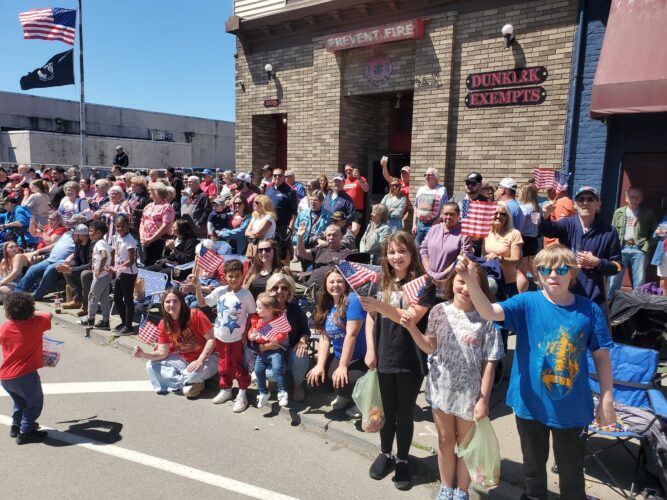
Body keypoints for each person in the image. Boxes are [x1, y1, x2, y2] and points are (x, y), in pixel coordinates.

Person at [455, 245, 616, 500]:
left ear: (572, 273)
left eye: (561, 269)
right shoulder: (526, 302)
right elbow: (489, 311)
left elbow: (602, 357)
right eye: (545, 269)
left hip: (572, 409)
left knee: (572, 473)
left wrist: (607, 398)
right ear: (537, 274)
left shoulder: (589, 310)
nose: (553, 275)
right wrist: (469, 280)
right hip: (529, 404)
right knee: (532, 469)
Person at [400, 262, 502, 500]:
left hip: (470, 393)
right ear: (451, 283)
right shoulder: (439, 311)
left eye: (472, 283)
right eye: (461, 281)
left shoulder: (487, 318)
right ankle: (446, 487)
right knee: (445, 441)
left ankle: (461, 490)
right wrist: (412, 328)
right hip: (441, 389)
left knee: (466, 445)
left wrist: (484, 400)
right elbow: (430, 346)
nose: (465, 288)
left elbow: (490, 362)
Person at [360, 231, 432, 490]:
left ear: (412, 253)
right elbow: (370, 318)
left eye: (402, 251)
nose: (396, 256)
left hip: (410, 357)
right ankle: (385, 453)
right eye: (391, 252)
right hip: (384, 354)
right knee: (386, 412)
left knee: (404, 412)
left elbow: (410, 318)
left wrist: (379, 306)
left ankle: (402, 459)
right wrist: (371, 349)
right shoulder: (380, 281)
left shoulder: (424, 284)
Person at [540, 186, 622, 307]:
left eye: (590, 199)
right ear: (575, 205)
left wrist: (597, 262)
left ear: (598, 203)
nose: (585, 203)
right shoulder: (567, 224)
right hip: (566, 292)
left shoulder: (609, 231)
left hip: (594, 296)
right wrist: (545, 216)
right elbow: (547, 230)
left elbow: (617, 266)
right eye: (581, 199)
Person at [133, 289, 218, 397]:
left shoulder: (195, 315)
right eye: (167, 302)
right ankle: (188, 385)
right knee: (151, 365)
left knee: (190, 375)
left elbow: (211, 339)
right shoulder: (164, 324)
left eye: (175, 301)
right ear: (163, 304)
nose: (171, 305)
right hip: (185, 358)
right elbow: (162, 353)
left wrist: (200, 360)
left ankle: (186, 382)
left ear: (181, 302)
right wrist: (143, 354)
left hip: (210, 357)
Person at [196, 258, 255, 412]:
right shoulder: (220, 291)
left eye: (237, 276)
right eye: (230, 276)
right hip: (221, 336)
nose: (234, 279)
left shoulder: (246, 294)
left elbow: (252, 314)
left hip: (238, 338)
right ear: (224, 276)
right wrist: (197, 287)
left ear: (243, 275)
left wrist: (246, 333)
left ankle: (242, 393)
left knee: (238, 365)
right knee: (223, 364)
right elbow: (202, 303)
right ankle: (226, 389)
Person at [307, 268, 367, 417]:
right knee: (315, 381)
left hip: (360, 358)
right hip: (339, 355)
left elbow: (351, 335)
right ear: (325, 285)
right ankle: (344, 395)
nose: (335, 285)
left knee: (344, 383)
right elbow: (324, 337)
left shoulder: (352, 300)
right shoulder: (326, 304)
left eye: (340, 281)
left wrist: (342, 367)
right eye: (331, 282)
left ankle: (362, 401)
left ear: (346, 284)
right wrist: (319, 365)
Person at [0, 292, 52, 444]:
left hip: (6, 376)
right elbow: (48, 314)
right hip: (25, 375)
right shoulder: (37, 323)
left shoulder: (5, 327)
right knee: (34, 403)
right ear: (30, 311)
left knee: (20, 402)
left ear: (9, 313)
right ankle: (25, 432)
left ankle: (16, 426)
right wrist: (31, 313)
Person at [266, 273, 310, 402]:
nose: (280, 291)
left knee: (301, 354)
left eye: (284, 288)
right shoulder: (264, 309)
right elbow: (256, 334)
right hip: (271, 352)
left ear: (289, 291)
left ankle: (298, 385)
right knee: (271, 373)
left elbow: (305, 330)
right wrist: (265, 346)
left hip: (290, 349)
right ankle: (272, 380)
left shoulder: (294, 309)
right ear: (269, 290)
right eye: (275, 288)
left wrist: (302, 341)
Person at [609, 187, 657, 297]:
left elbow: (655, 233)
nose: (634, 200)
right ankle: (611, 302)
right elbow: (613, 231)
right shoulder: (619, 212)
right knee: (614, 277)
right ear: (626, 198)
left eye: (637, 197)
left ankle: (637, 303)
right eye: (631, 197)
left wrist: (647, 245)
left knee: (639, 280)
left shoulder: (648, 213)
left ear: (641, 198)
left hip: (639, 249)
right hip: (621, 248)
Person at [248, 292, 289, 408]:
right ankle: (263, 393)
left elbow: (283, 332)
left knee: (277, 369)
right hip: (262, 352)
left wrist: (276, 338)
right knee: (258, 370)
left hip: (275, 352)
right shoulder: (256, 320)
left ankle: (282, 392)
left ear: (269, 309)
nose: (256, 309)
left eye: (259, 307)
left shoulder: (277, 321)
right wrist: (250, 335)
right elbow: (251, 331)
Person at [15, 229, 76, 300]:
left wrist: (71, 256)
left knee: (50, 269)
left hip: (64, 262)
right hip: (51, 259)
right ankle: (17, 293)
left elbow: (80, 249)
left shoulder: (80, 235)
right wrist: (39, 250)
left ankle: (36, 295)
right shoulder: (67, 233)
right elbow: (55, 245)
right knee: (33, 269)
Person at [421, 202, 472, 281]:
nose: (448, 217)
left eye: (452, 214)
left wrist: (442, 275)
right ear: (442, 214)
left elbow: (462, 258)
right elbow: (424, 250)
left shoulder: (464, 234)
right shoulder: (434, 229)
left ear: (458, 215)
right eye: (446, 214)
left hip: (449, 280)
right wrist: (429, 271)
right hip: (429, 277)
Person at [484, 202, 523, 298]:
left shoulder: (514, 234)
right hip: (488, 281)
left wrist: (499, 259)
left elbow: (516, 261)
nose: (498, 216)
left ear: (507, 217)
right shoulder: (485, 231)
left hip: (507, 283)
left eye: (503, 214)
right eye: (495, 213)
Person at [79, 220, 113, 330]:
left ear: (98, 233)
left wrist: (100, 269)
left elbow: (104, 256)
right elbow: (112, 251)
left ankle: (90, 318)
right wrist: (110, 265)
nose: (89, 233)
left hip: (101, 275)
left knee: (92, 295)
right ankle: (105, 321)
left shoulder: (99, 243)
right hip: (106, 274)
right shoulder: (104, 242)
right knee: (104, 298)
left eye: (91, 231)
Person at [111, 215, 138, 334]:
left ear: (128, 226)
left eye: (122, 226)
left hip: (128, 273)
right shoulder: (117, 237)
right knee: (117, 298)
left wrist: (116, 268)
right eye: (117, 226)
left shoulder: (129, 240)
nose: (120, 228)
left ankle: (128, 326)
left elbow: (131, 261)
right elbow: (115, 252)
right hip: (120, 272)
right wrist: (112, 266)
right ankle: (124, 322)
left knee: (128, 299)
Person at [265, 168, 298, 262]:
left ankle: (285, 270)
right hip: (269, 226)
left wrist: (291, 226)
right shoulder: (268, 189)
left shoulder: (290, 191)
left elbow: (294, 212)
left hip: (283, 227)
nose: (277, 177)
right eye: (275, 175)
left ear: (284, 177)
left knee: (284, 254)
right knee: (271, 251)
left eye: (280, 175)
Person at [140, 183, 176, 266]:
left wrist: (151, 239)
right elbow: (142, 222)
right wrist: (142, 237)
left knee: (157, 264)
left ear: (159, 192)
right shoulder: (148, 206)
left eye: (152, 190)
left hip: (159, 240)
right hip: (146, 240)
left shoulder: (166, 207)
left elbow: (166, 226)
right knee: (147, 262)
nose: (149, 191)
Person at [59, 225, 92, 312]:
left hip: (91, 270)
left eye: (74, 235)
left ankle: (86, 304)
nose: (72, 237)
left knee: (84, 274)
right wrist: (69, 267)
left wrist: (73, 269)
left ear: (81, 235)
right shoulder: (78, 243)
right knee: (66, 272)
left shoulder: (92, 245)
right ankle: (78, 300)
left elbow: (90, 264)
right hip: (82, 268)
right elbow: (76, 258)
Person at [292, 189, 332, 261]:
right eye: (311, 199)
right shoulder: (302, 214)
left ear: (321, 202)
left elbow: (330, 232)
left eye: (316, 200)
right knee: (304, 266)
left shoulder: (328, 215)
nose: (313, 202)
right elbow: (296, 230)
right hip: (303, 246)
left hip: (318, 247)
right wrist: (295, 244)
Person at [413, 168, 448, 247]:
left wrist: (437, 221)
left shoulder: (442, 190)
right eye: (425, 175)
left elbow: (445, 209)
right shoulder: (421, 189)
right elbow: (416, 207)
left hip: (433, 224)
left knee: (430, 247)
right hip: (420, 224)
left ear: (436, 177)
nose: (426, 177)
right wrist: (414, 224)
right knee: (417, 248)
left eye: (429, 175)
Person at [517, 183, 541, 293]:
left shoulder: (524, 208)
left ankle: (521, 295)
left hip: (524, 240)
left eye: (520, 191)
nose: (518, 193)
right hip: (533, 240)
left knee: (521, 271)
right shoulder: (536, 208)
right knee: (532, 268)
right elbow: (535, 224)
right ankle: (542, 284)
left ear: (525, 193)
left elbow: (520, 227)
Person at [342, 163, 369, 237]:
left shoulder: (360, 179)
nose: (348, 171)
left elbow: (366, 189)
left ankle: (348, 241)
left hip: (357, 209)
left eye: (350, 170)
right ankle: (347, 242)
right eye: (346, 170)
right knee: (345, 229)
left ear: (354, 170)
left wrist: (359, 178)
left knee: (355, 230)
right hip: (346, 210)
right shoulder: (344, 181)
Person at [651, 215, 667, 292]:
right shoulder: (665, 218)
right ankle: (663, 298)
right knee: (663, 277)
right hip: (663, 253)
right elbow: (654, 236)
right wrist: (657, 232)